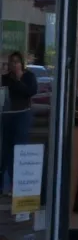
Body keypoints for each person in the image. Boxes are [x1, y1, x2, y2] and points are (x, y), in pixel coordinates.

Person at [0, 52, 37, 195]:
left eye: (16, 62)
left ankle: (18, 184)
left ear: (22, 63)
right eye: (11, 62)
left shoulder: (28, 76)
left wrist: (18, 79)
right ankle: (5, 185)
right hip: (7, 115)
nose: (14, 64)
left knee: (20, 147)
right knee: (6, 150)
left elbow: (31, 91)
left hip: (22, 114)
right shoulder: (5, 78)